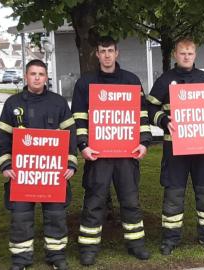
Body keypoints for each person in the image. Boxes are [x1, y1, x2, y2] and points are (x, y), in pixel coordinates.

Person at [71, 36, 152, 266]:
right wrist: (83, 146)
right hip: (98, 155)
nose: (106, 55)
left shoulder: (131, 80)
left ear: (117, 53)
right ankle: (88, 248)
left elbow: (141, 115)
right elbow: (78, 118)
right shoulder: (85, 83)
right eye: (102, 51)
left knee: (130, 200)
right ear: (96, 54)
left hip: (127, 155)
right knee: (94, 201)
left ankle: (136, 244)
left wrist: (144, 142)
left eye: (110, 50)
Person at [146, 37, 204, 255]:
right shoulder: (165, 80)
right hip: (175, 150)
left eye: (190, 53)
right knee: (173, 194)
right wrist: (164, 120)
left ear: (195, 55)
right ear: (175, 54)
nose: (186, 57)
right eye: (182, 53)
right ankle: (170, 240)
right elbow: (149, 108)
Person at [0, 60, 77, 270]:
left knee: (56, 216)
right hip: (22, 175)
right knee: (21, 217)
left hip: (53, 173)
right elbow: (3, 138)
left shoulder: (58, 103)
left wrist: (70, 163)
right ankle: (21, 260)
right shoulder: (12, 104)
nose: (37, 78)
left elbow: (71, 137)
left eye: (41, 74)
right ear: (26, 76)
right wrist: (5, 165)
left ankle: (56, 257)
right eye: (33, 74)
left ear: (46, 77)